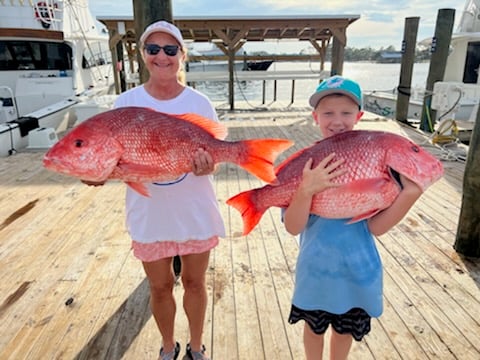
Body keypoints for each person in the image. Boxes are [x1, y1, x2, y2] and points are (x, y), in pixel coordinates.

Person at [84, 20, 223, 360]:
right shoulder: (125, 102)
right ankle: (167, 346)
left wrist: (210, 163)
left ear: (182, 55)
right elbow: (110, 156)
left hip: (194, 209)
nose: (162, 56)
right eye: (153, 49)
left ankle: (195, 346)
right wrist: (95, 172)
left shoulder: (199, 102)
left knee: (194, 283)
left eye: (170, 49)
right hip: (150, 214)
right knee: (159, 286)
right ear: (143, 55)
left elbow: (214, 156)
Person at [283, 75, 423, 360]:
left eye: (346, 113)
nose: (337, 120)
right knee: (313, 328)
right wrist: (305, 190)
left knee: (344, 332)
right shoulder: (307, 165)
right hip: (315, 272)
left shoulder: (373, 162)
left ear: (358, 116)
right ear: (315, 117)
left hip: (357, 273)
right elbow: (293, 226)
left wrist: (409, 194)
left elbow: (377, 227)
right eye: (328, 113)